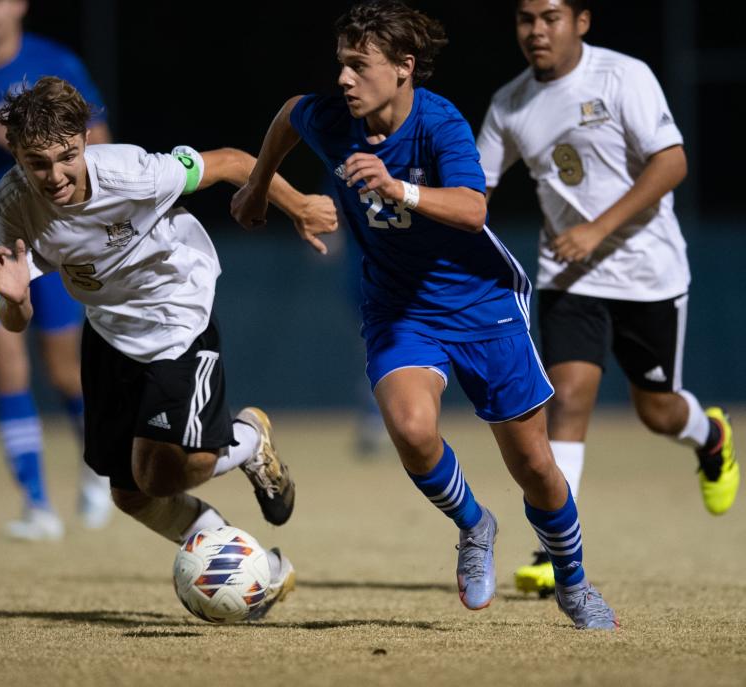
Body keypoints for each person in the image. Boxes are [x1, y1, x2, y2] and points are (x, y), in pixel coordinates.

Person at [232, 0, 618, 630]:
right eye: (341, 65)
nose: (344, 79)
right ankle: (475, 526)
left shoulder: (441, 124)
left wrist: (396, 187)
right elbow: (288, 115)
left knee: (535, 467)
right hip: (399, 306)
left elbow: (472, 209)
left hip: (481, 304)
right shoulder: (332, 117)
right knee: (411, 430)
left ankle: (574, 583)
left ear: (404, 68)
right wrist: (258, 184)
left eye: (359, 66)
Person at [0, 76, 338, 617]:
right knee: (132, 494)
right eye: (37, 162)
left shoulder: (132, 171)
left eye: (66, 157)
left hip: (178, 318)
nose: (55, 175)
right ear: (16, 155)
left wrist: (299, 207)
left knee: (169, 472)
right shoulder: (9, 203)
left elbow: (235, 163)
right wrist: (14, 299)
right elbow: (15, 321)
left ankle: (245, 438)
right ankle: (259, 567)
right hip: (109, 330)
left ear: (84, 141)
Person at [476, 0, 739, 597]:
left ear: (582, 21)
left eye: (551, 17)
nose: (537, 31)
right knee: (566, 399)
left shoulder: (624, 76)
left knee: (658, 410)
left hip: (648, 273)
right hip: (570, 276)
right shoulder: (510, 103)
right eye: (525, 19)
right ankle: (553, 548)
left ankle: (710, 436)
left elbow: (672, 162)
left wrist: (597, 227)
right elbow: (475, 190)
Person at [0, 0, 114, 539]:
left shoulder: (56, 62)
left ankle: (96, 471)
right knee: (6, 362)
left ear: (20, 6)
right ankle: (37, 505)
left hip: (46, 231)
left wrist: (25, 145)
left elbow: (98, 141)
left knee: (63, 371)